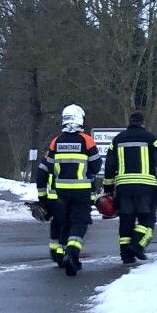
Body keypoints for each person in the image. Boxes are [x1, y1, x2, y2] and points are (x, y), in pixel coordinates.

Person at [103, 111, 157, 264]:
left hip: (123, 188)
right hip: (146, 188)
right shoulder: (152, 139)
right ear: (143, 123)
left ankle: (126, 255)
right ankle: (137, 245)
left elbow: (109, 166)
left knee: (126, 220)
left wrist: (108, 189)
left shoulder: (117, 140)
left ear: (129, 123)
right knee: (147, 219)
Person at [38, 104, 104, 275]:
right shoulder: (87, 140)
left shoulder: (56, 141)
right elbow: (96, 166)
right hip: (81, 190)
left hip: (61, 192)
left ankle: (62, 253)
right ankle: (72, 253)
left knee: (65, 222)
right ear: (80, 119)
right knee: (80, 223)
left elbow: (49, 166)